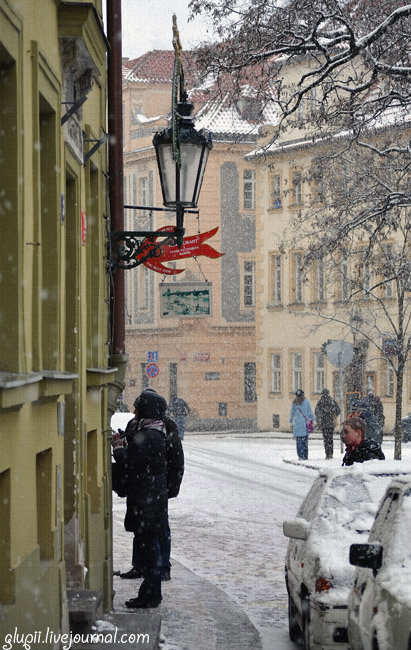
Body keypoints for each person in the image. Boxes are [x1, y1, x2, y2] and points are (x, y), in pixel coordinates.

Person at [119, 389, 184, 582]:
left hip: (156, 487)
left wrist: (171, 487)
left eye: (137, 407)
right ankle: (139, 566)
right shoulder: (135, 424)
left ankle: (163, 567)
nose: (134, 411)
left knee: (159, 529)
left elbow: (176, 460)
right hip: (141, 487)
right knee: (141, 530)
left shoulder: (165, 427)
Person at [111, 390, 169, 608]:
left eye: (138, 407)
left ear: (146, 410)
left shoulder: (150, 436)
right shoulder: (153, 431)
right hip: (150, 501)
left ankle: (151, 595)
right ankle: (150, 592)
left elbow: (132, 465)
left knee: (150, 551)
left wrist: (118, 450)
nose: (134, 411)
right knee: (149, 549)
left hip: (148, 503)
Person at [315, 388, 340, 459]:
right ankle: (331, 453)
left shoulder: (320, 402)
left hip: (324, 423)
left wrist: (320, 420)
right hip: (331, 423)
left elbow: (316, 413)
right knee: (330, 438)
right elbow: (338, 410)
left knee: (325, 439)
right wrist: (333, 415)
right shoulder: (332, 401)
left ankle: (327, 454)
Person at [289, 389, 314, 460]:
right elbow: (310, 412)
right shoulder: (307, 402)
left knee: (299, 442)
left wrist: (291, 421)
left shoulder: (294, 403)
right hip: (305, 424)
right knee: (305, 441)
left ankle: (300, 455)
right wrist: (313, 420)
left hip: (297, 425)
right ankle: (305, 455)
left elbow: (292, 413)